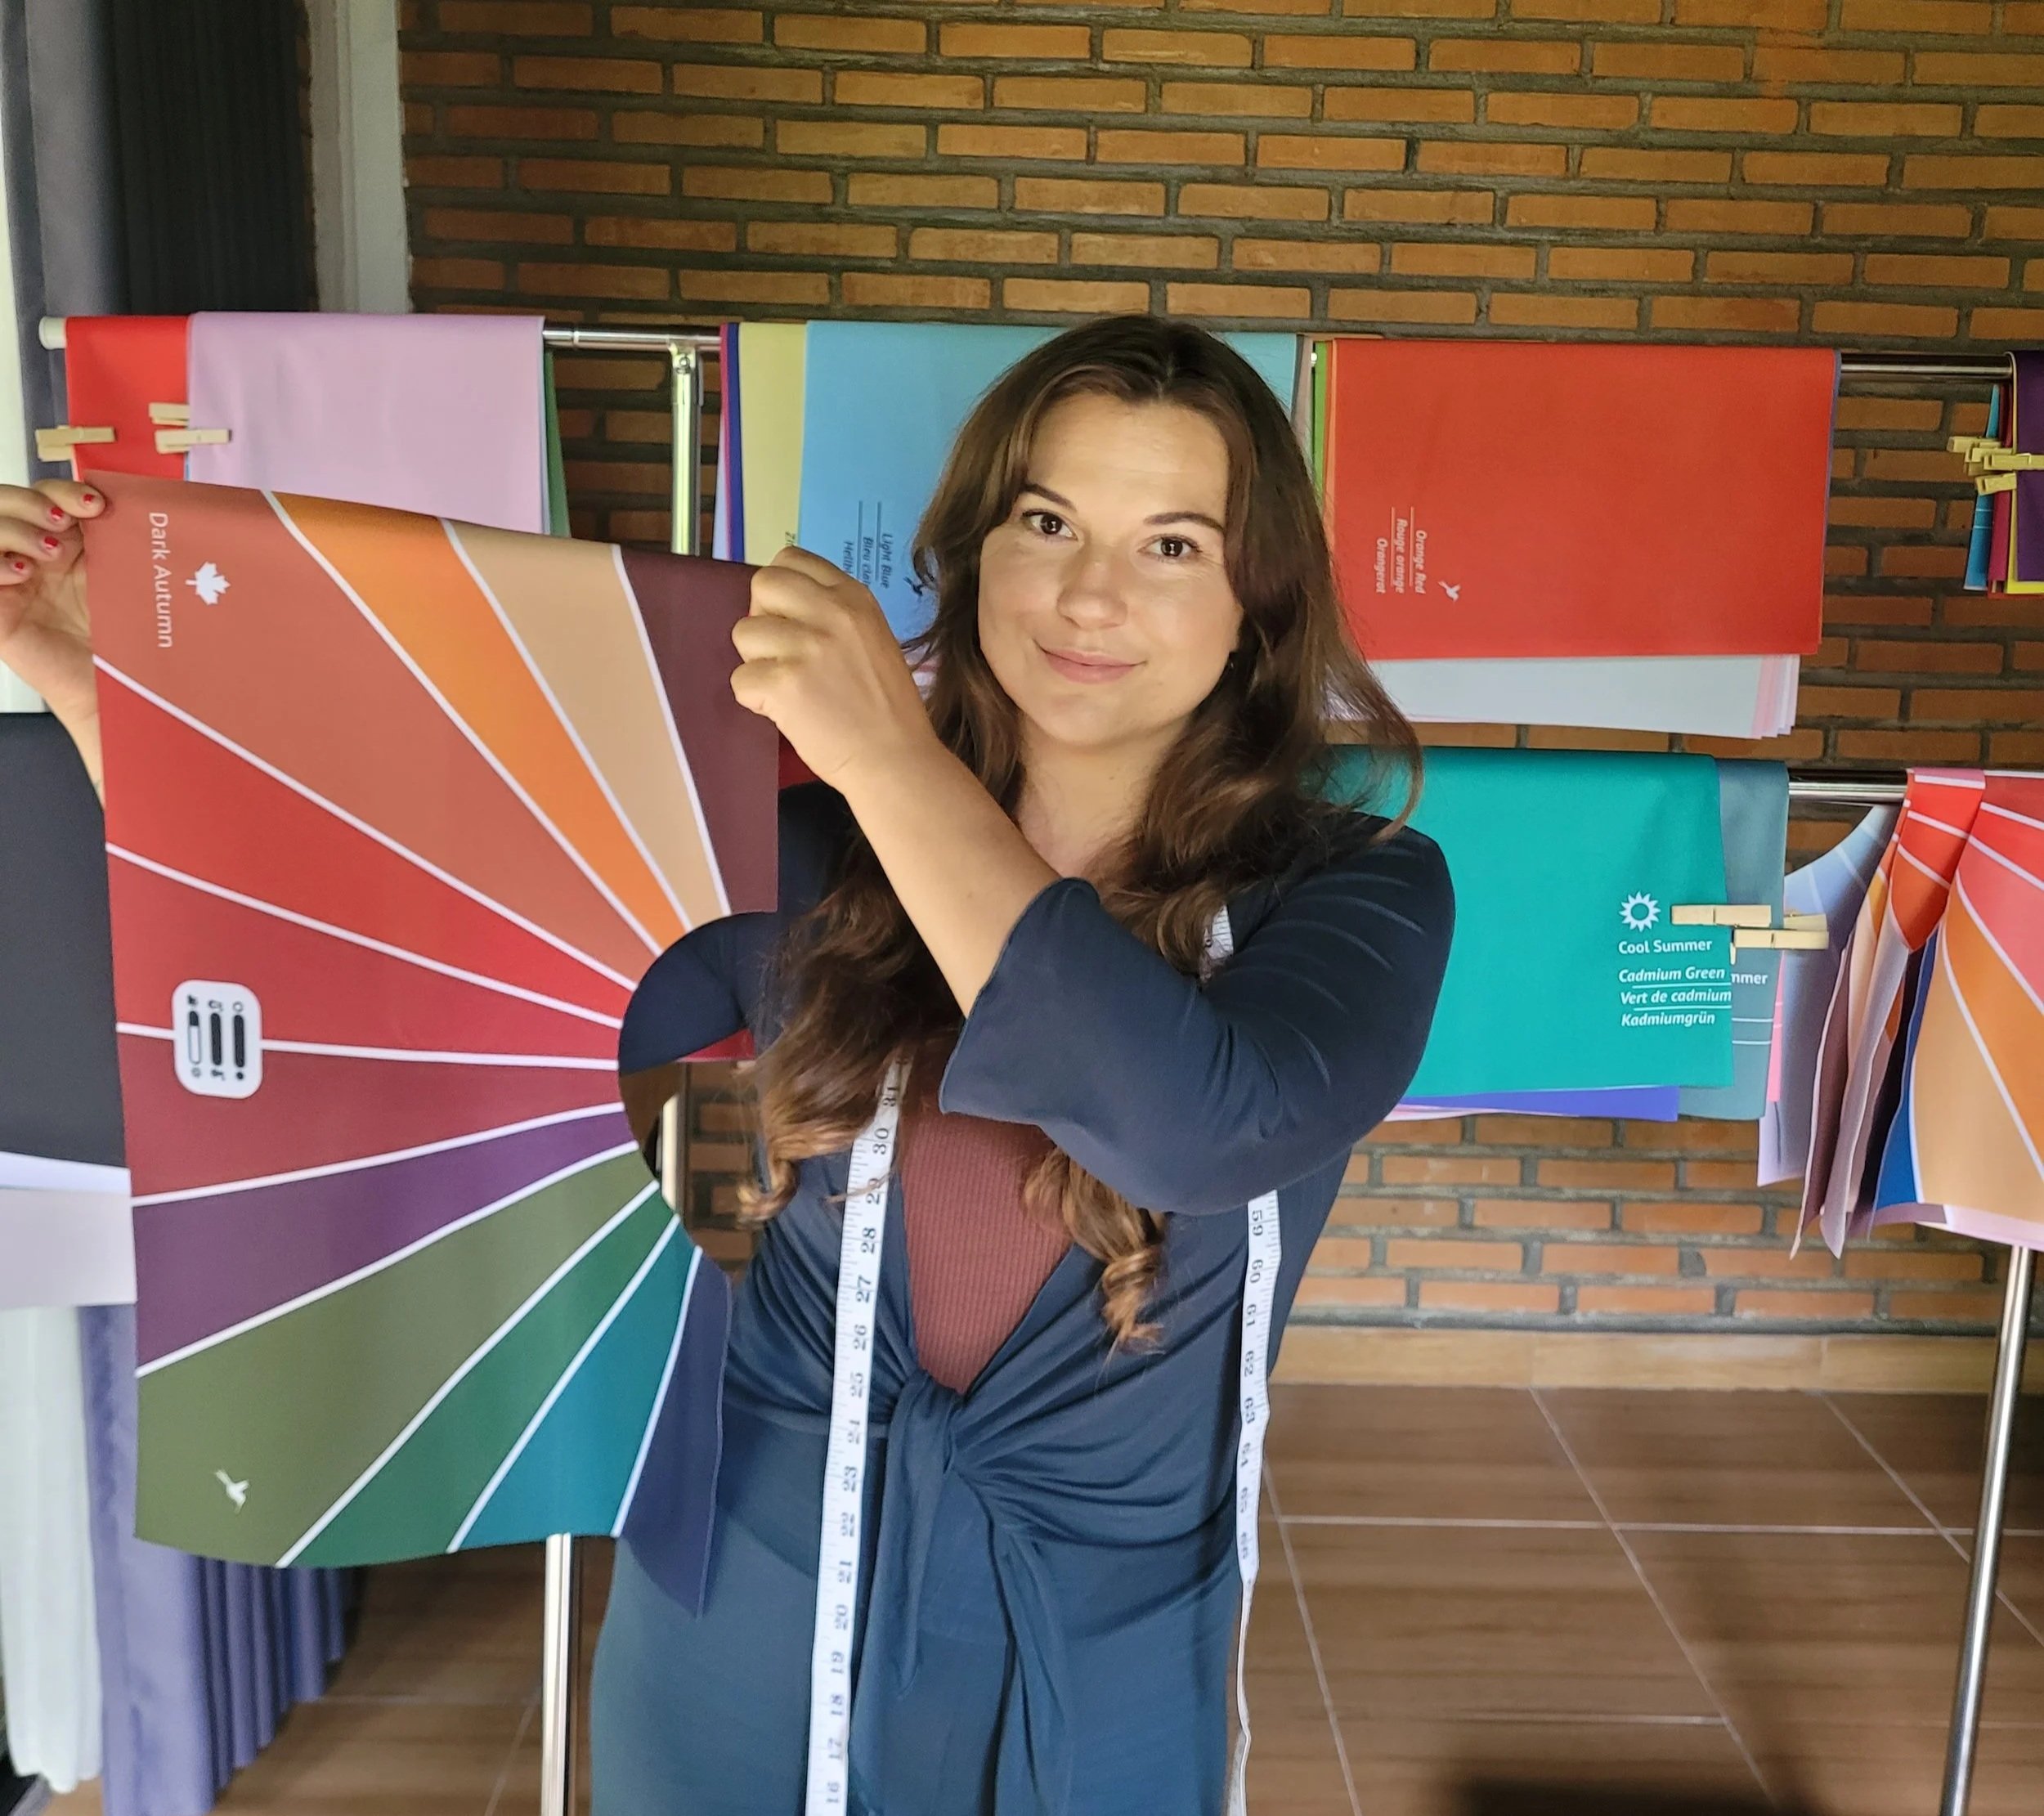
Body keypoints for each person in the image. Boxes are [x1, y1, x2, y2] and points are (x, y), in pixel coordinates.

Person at [0, 314, 1454, 1816]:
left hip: (1102, 1669)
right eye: (1046, 521)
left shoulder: (1356, 894)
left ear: (1254, 609)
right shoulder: (789, 848)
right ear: (973, 555)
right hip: (739, 1623)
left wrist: (890, 757)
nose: (1090, 592)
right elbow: (392, 965)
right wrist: (100, 689)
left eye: (1172, 545)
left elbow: (1195, 1125)